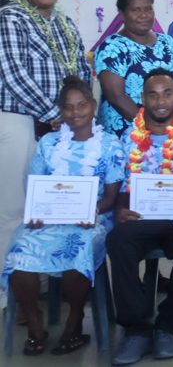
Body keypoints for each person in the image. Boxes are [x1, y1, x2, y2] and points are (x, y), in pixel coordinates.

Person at [1, 76, 123, 355]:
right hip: (48, 219)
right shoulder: (49, 143)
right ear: (60, 111)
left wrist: (92, 211)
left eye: (82, 105)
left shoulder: (109, 145)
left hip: (93, 219)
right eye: (68, 107)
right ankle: (34, 324)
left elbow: (111, 199)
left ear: (93, 106)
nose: (75, 112)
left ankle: (75, 321)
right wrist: (37, 210)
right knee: (20, 249)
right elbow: (35, 185)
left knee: (77, 249)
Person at [0, 0, 92, 309]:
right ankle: (10, 290)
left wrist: (79, 116)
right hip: (21, 119)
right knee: (15, 207)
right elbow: (12, 73)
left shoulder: (64, 23)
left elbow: (82, 73)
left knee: (55, 205)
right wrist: (58, 114)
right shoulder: (11, 18)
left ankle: (41, 280)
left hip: (63, 129)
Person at [107, 69, 173, 365]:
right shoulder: (128, 136)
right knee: (118, 240)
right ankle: (137, 329)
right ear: (143, 99)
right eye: (152, 94)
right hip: (141, 217)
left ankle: (168, 325)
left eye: (167, 93)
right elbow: (120, 180)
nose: (160, 101)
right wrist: (120, 208)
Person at [95, 0, 173, 136]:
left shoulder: (168, 43)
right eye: (136, 10)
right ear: (122, 14)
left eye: (148, 9)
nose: (143, 15)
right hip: (125, 134)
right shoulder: (111, 47)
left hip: (169, 133)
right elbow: (117, 97)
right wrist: (151, 130)